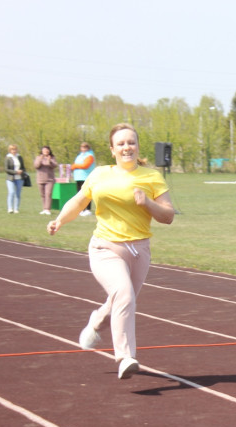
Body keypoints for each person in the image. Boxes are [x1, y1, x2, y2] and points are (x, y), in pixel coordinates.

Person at [47, 123, 175, 379]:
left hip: (139, 251)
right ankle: (125, 356)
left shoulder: (151, 177)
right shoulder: (99, 174)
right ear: (112, 149)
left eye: (131, 142)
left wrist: (147, 202)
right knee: (124, 294)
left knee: (120, 301)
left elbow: (168, 216)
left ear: (138, 146)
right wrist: (60, 219)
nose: (127, 147)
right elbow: (79, 201)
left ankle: (96, 321)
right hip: (105, 247)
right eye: (121, 143)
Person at [71, 141, 96, 216]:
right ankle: (82, 209)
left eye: (85, 147)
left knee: (86, 194)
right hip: (78, 177)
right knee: (79, 193)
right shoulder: (80, 155)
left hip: (86, 176)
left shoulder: (90, 155)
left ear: (88, 148)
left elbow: (85, 165)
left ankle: (88, 209)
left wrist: (75, 166)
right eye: (82, 147)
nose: (83, 149)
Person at [34, 146, 58, 215]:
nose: (46, 151)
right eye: (44, 150)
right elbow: (36, 166)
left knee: (48, 194)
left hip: (49, 179)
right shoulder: (38, 157)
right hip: (40, 179)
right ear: (41, 151)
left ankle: (48, 209)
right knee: (42, 194)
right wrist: (40, 160)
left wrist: (49, 160)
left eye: (47, 150)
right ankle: (44, 208)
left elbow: (54, 165)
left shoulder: (52, 158)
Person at [5, 144, 26, 214]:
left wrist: (21, 171)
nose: (14, 151)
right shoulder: (8, 157)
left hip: (19, 178)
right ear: (10, 150)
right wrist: (15, 172)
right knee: (11, 192)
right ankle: (10, 208)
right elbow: (6, 169)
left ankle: (16, 209)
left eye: (15, 149)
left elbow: (23, 167)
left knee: (18, 193)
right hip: (10, 178)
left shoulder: (19, 157)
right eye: (12, 149)